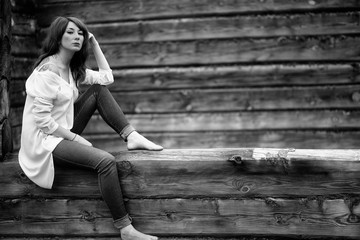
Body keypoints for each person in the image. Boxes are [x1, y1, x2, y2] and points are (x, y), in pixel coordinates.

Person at [18, 16, 162, 240]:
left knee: (98, 90)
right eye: (71, 32)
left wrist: (95, 44)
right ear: (58, 36)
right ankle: (126, 229)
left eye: (81, 34)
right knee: (105, 161)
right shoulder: (48, 71)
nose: (78, 37)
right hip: (44, 141)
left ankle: (131, 136)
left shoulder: (72, 69)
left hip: (61, 131)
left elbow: (106, 78)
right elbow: (43, 122)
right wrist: (75, 138)